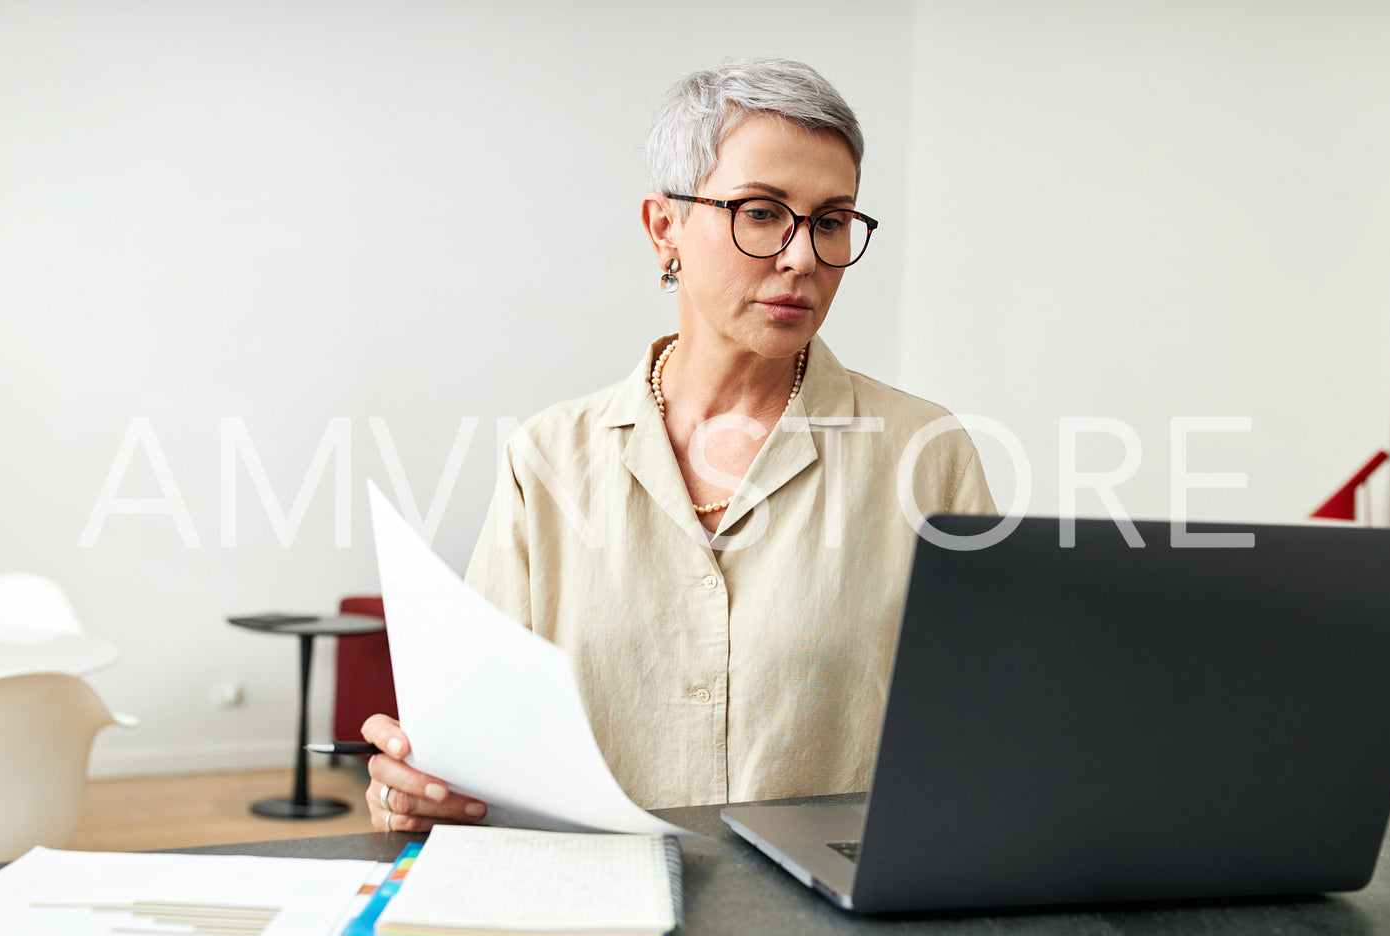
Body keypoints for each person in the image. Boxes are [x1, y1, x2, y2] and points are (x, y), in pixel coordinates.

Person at [363, 57, 996, 832]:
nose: (802, 256)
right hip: (587, 904)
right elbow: (475, 749)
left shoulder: (924, 452)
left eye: (831, 220)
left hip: (832, 932)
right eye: (761, 212)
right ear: (665, 228)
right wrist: (423, 788)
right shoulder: (550, 456)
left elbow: (988, 731)